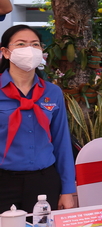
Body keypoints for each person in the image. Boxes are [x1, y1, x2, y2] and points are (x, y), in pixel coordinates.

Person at [0, 25, 76, 213]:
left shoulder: (52, 92)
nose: (29, 49)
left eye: (35, 44)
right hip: (4, 181)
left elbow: (62, 143)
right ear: (6, 52)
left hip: (44, 182)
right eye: (21, 44)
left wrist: (68, 190)